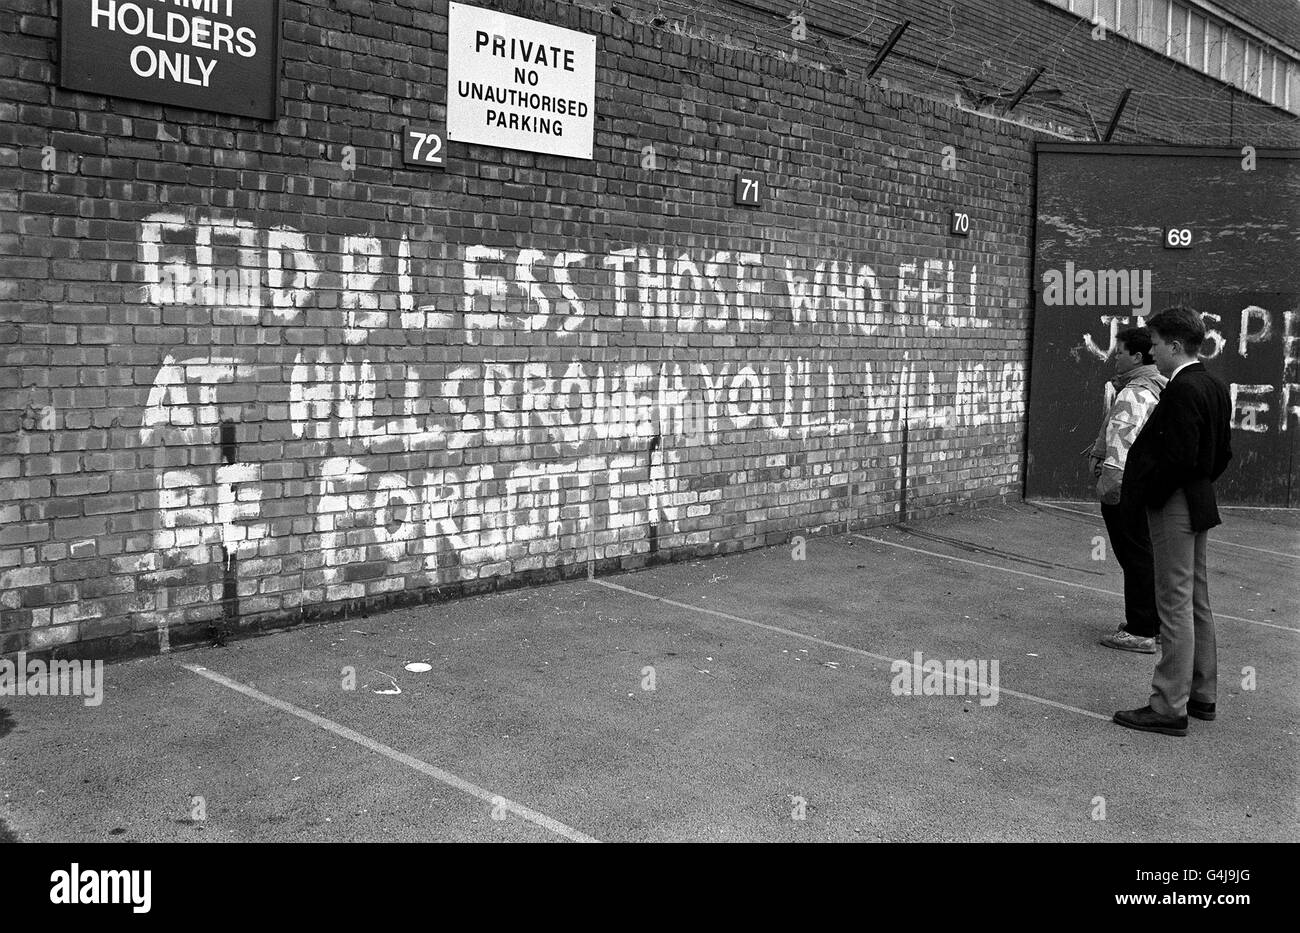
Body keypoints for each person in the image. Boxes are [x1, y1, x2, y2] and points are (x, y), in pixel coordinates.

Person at [1114, 306, 1232, 737]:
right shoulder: (1213, 385)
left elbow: (1177, 457)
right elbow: (1221, 453)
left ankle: (1168, 704)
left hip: (1176, 503)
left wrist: (1152, 494)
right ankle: (1201, 693)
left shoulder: (1183, 389)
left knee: (1174, 601)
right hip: (1199, 497)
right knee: (1195, 597)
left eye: (1158, 344)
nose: (1154, 351)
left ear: (1176, 345)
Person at [1089, 327, 1167, 653]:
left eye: (1120, 351)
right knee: (1144, 554)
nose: (1115, 356)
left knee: (1135, 556)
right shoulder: (1158, 386)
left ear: (1137, 356)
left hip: (1125, 486)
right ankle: (1154, 624)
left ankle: (1140, 630)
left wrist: (1109, 488)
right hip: (1143, 483)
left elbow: (1122, 444)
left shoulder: (1135, 392)